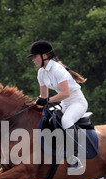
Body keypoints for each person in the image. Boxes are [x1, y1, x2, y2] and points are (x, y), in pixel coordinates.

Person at [28, 40, 88, 172]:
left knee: (66, 121)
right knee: (42, 117)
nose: (33, 60)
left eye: (35, 56)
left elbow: (65, 93)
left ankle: (76, 158)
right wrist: (31, 106)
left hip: (77, 102)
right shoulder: (41, 73)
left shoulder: (58, 70)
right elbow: (43, 97)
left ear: (44, 56)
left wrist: (47, 100)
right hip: (65, 103)